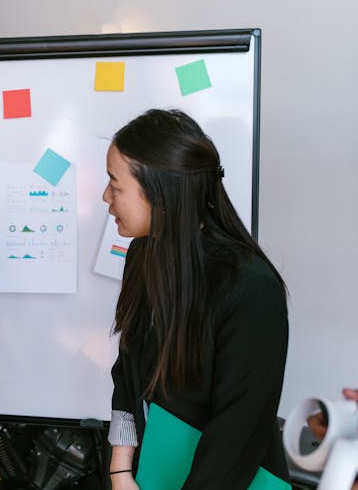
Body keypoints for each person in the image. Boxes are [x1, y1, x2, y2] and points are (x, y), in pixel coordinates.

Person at [102, 109, 289, 489]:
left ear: (161, 193)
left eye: (115, 186)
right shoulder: (143, 254)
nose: (105, 197)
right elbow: (128, 372)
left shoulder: (251, 288)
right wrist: (120, 472)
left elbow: (237, 435)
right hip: (152, 471)